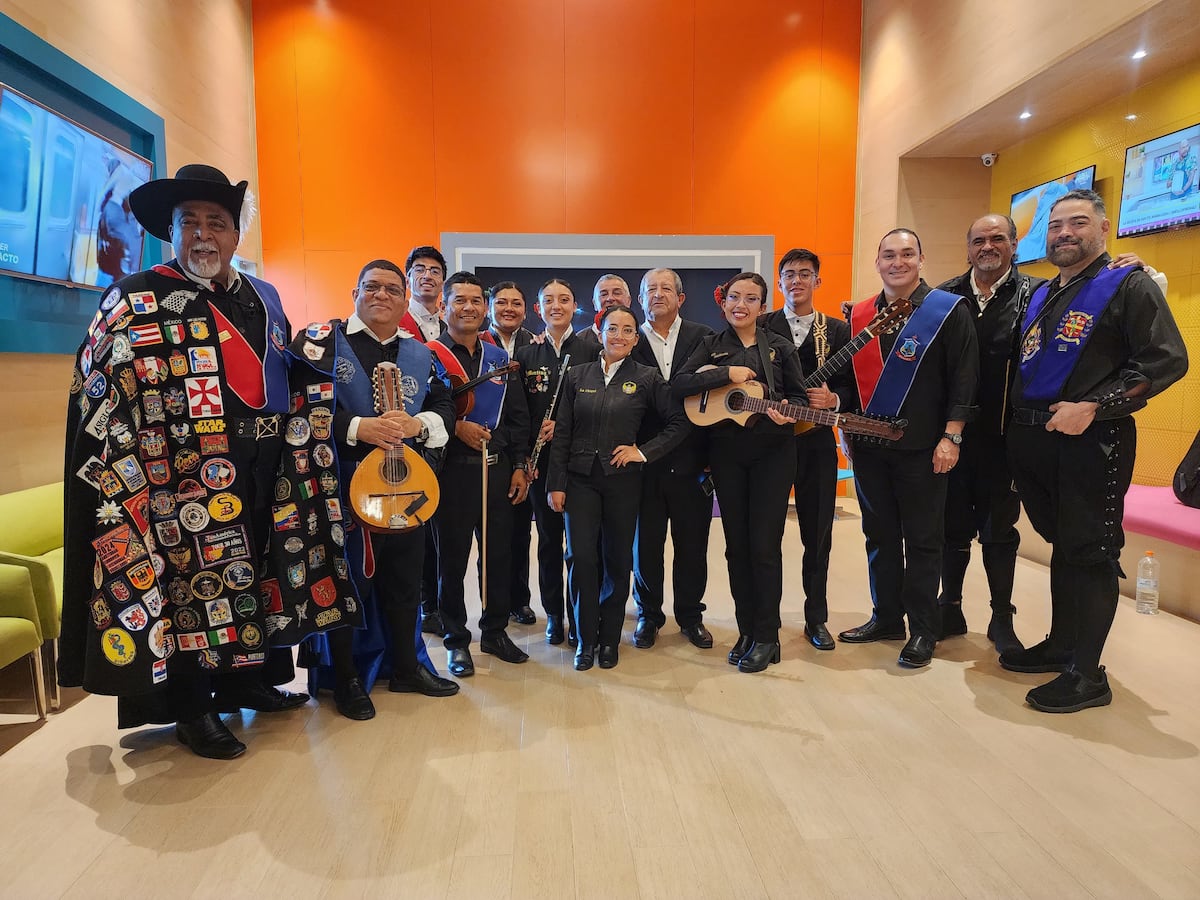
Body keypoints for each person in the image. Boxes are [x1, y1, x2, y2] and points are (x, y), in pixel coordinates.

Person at [61, 164, 356, 759]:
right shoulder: (138, 296)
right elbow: (99, 386)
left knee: (256, 574)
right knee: (187, 588)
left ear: (235, 236)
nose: (203, 234)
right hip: (178, 478)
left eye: (216, 222)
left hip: (265, 468)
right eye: (188, 222)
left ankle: (248, 680)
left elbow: (283, 370)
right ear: (169, 230)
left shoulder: (264, 295)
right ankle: (193, 706)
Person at [1002, 189, 1187, 712]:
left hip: (1092, 442)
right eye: (1056, 224)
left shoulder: (1127, 285)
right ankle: (1063, 645)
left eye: (1078, 223)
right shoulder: (1041, 294)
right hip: (1036, 441)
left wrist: (1095, 406)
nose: (1064, 233)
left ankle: (1088, 673)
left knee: (1091, 551)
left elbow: (1165, 360)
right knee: (1064, 545)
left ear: (1103, 228)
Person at [296, 259, 460, 720]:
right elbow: (296, 407)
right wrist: (357, 428)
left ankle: (406, 667)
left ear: (406, 299)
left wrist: (418, 423)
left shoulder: (421, 353)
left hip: (405, 484)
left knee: (406, 581)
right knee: (349, 583)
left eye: (392, 289)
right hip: (341, 484)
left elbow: (445, 404)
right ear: (355, 293)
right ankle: (345, 678)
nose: (382, 295)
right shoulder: (320, 344)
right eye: (372, 287)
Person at [837, 229, 979, 669]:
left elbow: (965, 376)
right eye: (888, 255)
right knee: (877, 536)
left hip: (924, 446)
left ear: (921, 258)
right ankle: (885, 618)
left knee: (921, 539)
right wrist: (842, 423)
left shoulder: (948, 310)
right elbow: (848, 384)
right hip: (869, 446)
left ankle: (922, 628)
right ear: (877, 263)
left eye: (907, 254)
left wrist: (951, 436)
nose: (897, 262)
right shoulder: (859, 314)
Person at [674, 273, 806, 673]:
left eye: (751, 299)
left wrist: (786, 413)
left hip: (773, 457)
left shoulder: (779, 348)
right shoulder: (711, 346)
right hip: (727, 457)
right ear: (724, 302)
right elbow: (679, 384)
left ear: (762, 307)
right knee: (736, 546)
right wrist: (724, 376)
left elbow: (799, 397)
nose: (741, 305)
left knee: (764, 547)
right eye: (734, 297)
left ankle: (767, 636)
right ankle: (748, 629)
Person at [548, 306, 687, 670]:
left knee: (617, 560)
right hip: (578, 481)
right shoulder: (577, 375)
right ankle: (584, 639)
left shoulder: (647, 378)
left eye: (628, 331)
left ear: (636, 339)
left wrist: (642, 451)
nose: (620, 336)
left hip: (623, 482)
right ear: (600, 332)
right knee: (580, 557)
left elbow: (677, 422)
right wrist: (555, 484)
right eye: (613, 329)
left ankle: (609, 640)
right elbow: (561, 432)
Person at [428, 272, 531, 677]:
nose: (468, 307)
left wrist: (520, 465)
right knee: (450, 562)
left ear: (484, 308)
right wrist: (456, 428)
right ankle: (456, 639)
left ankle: (495, 631)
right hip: (451, 474)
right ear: (444, 306)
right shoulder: (428, 355)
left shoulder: (500, 360)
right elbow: (421, 415)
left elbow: (518, 417)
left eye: (475, 301)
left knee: (498, 558)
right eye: (459, 300)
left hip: (498, 470)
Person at [761, 249, 855, 651]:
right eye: (789, 274)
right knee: (767, 535)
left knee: (818, 535)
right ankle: (765, 620)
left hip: (816, 443)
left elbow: (855, 384)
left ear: (818, 281)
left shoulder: (836, 330)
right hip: (769, 443)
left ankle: (816, 618)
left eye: (805, 274)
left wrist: (834, 400)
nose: (796, 280)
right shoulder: (761, 326)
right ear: (779, 281)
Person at [628, 267, 715, 650]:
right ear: (640, 298)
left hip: (693, 461)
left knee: (692, 545)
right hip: (641, 461)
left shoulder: (705, 338)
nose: (657, 294)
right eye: (650, 289)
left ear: (681, 298)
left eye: (666, 288)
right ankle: (648, 615)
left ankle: (691, 616)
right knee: (645, 546)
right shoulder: (627, 338)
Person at [516, 279, 600, 646]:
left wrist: (565, 426)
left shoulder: (592, 349)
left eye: (564, 300)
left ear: (575, 306)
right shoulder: (525, 351)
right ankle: (554, 614)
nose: (556, 306)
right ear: (538, 309)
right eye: (548, 300)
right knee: (549, 541)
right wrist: (529, 450)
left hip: (579, 462)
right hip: (541, 462)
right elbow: (518, 410)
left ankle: (583, 614)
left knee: (582, 545)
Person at [483, 281, 538, 626]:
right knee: (491, 540)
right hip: (484, 452)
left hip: (525, 450)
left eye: (516, 303)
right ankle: (492, 606)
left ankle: (520, 599)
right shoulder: (479, 343)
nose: (508, 309)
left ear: (525, 308)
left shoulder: (536, 345)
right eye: (501, 302)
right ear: (490, 307)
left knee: (520, 532)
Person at [402, 246, 449, 636]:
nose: (427, 277)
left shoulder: (452, 326)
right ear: (409, 279)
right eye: (420, 270)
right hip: (405, 444)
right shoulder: (395, 324)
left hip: (445, 439)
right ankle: (422, 605)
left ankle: (436, 603)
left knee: (441, 532)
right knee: (415, 524)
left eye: (435, 271)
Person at [575, 274, 634, 345]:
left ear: (628, 301)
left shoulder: (642, 337)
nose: (610, 298)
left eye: (617, 293)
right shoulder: (579, 340)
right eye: (604, 294)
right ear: (595, 304)